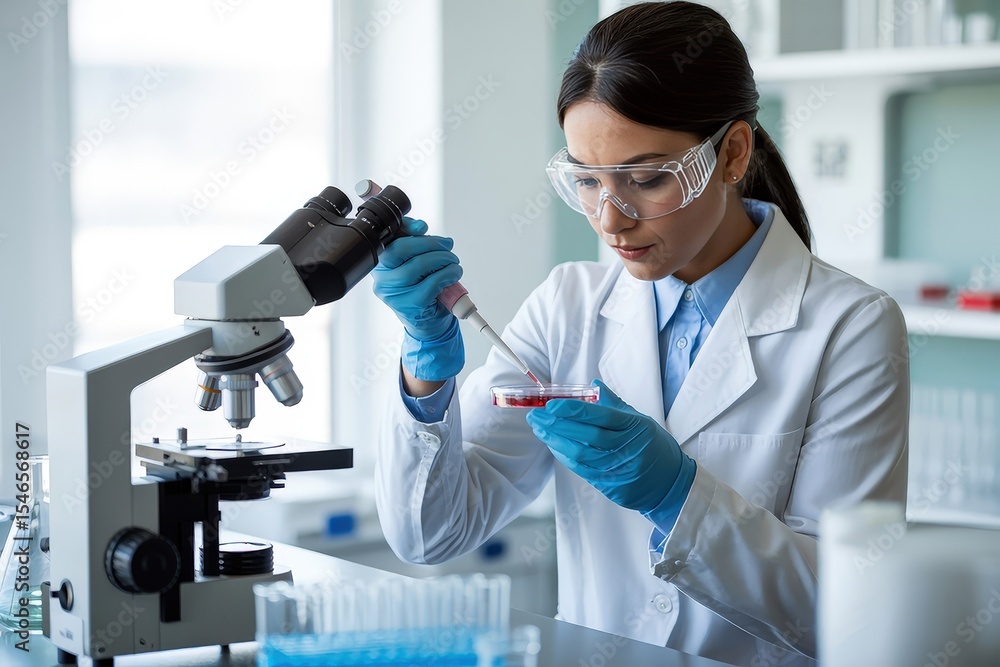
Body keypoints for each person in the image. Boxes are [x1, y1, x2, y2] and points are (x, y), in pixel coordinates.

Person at [371, 2, 908, 665]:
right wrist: (425, 371)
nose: (611, 218)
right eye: (587, 180)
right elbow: (430, 534)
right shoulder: (567, 304)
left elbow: (848, 614)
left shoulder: (850, 326)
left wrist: (676, 495)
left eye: (647, 178)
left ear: (732, 152)